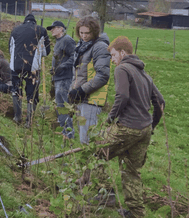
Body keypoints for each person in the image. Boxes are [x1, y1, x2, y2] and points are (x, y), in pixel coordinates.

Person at [94, 36, 165, 218]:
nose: (112, 59)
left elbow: (122, 96)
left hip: (127, 127)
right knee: (131, 171)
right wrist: (152, 124)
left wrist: (110, 118)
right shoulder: (144, 74)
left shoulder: (122, 69)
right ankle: (136, 213)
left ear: (123, 52)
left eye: (113, 55)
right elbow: (160, 102)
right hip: (144, 130)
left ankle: (105, 194)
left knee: (97, 154)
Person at [68, 16, 111, 144]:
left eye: (87, 33)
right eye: (81, 33)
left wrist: (81, 90)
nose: (84, 36)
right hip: (81, 97)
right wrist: (72, 90)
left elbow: (103, 75)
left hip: (92, 98)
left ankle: (94, 163)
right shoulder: (82, 46)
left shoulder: (100, 47)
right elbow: (77, 73)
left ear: (94, 32)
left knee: (87, 140)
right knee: (83, 136)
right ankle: (84, 163)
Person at [9, 13, 50, 127]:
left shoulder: (15, 30)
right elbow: (46, 52)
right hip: (33, 67)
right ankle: (29, 121)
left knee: (16, 89)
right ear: (34, 22)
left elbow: (10, 48)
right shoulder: (41, 30)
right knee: (32, 93)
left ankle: (17, 117)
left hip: (15, 65)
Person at [46, 21, 76, 138]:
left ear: (61, 29)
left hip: (65, 77)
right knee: (60, 106)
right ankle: (65, 131)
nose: (52, 30)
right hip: (58, 77)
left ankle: (69, 133)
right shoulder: (58, 42)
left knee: (64, 105)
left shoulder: (67, 40)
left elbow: (75, 56)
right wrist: (53, 69)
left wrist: (62, 66)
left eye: (54, 28)